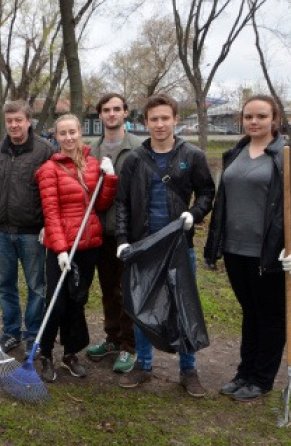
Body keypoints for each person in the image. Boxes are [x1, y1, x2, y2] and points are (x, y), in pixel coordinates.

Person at [205, 95, 291, 402]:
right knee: (250, 312)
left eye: (261, 116)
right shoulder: (236, 152)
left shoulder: (290, 156)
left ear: (275, 119)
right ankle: (244, 372)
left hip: (269, 252)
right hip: (234, 249)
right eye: (248, 116)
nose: (254, 121)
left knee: (270, 316)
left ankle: (261, 378)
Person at [115, 94, 216, 397]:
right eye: (153, 119)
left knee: (182, 306)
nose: (159, 124)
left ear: (175, 119)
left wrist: (193, 214)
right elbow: (122, 204)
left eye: (164, 118)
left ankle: (188, 369)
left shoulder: (192, 155)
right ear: (145, 122)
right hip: (144, 247)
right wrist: (122, 240)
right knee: (142, 306)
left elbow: (208, 193)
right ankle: (143, 365)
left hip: (177, 246)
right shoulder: (134, 160)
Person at [35, 114, 118, 382]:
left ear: (80, 132)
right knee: (56, 303)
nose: (69, 138)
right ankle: (45, 353)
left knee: (77, 300)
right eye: (63, 133)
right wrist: (59, 249)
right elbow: (51, 213)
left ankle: (70, 353)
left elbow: (101, 205)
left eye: (73, 132)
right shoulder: (49, 169)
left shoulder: (93, 164)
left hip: (89, 244)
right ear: (56, 137)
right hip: (62, 247)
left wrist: (110, 179)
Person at [0, 100, 55, 354]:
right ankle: (11, 331)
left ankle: (33, 334)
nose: (14, 125)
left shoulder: (44, 151)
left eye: (19, 120)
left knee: (36, 286)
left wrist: (48, 225)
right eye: (9, 121)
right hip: (3, 232)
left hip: (32, 232)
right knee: (5, 283)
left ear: (29, 121)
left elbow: (51, 192)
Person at [85, 93, 144, 373]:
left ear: (125, 113)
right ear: (100, 115)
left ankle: (129, 346)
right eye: (106, 110)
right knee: (108, 289)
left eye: (116, 109)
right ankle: (111, 337)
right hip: (100, 231)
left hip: (129, 233)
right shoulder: (91, 151)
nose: (111, 114)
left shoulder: (138, 148)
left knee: (127, 291)